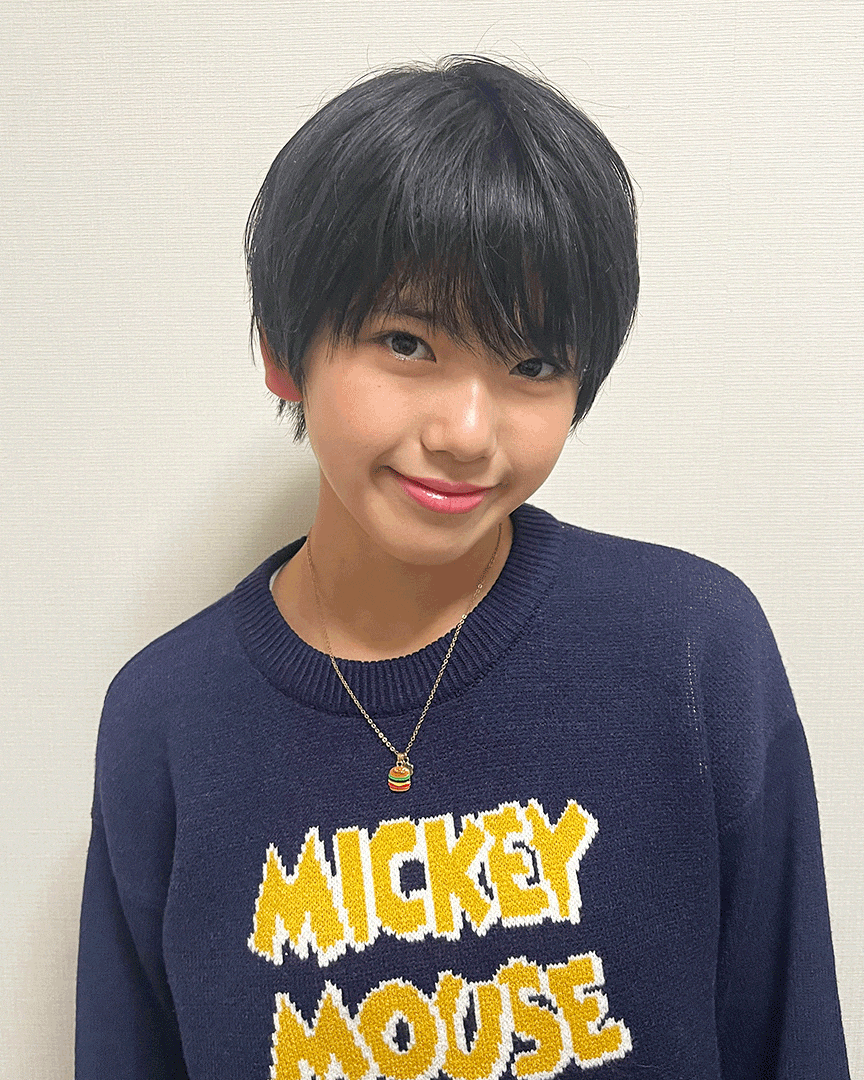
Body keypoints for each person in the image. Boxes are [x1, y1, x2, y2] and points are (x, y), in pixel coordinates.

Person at [75, 54, 850, 1080]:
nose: (467, 432)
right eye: (407, 343)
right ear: (282, 350)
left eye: (533, 365)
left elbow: (792, 1043)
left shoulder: (694, 652)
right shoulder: (164, 719)